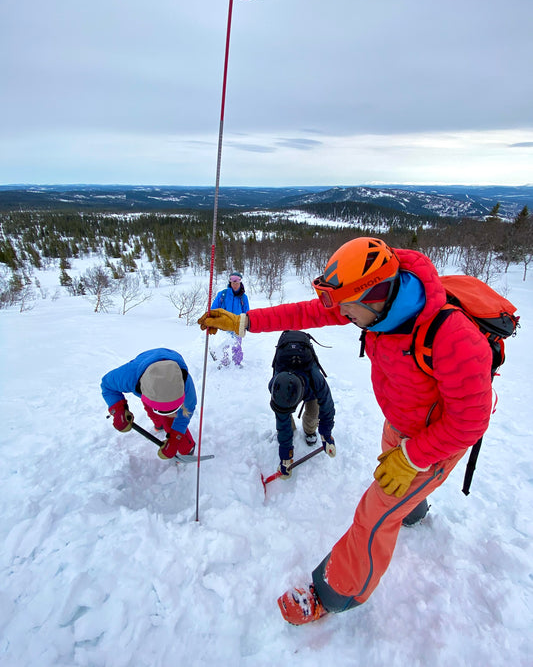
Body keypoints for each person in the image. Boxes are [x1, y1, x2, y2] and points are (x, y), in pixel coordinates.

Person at [198, 237, 493, 625]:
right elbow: (306, 314)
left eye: (346, 309)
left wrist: (412, 458)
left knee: (373, 517)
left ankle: (335, 593)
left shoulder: (453, 337)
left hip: (435, 441)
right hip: (401, 421)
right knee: (396, 490)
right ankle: (411, 508)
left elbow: (471, 420)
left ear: (376, 294)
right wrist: (246, 321)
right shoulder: (373, 307)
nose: (341, 315)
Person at [101, 348, 196, 459]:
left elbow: (187, 412)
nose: (166, 412)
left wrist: (176, 438)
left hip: (161, 383)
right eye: (160, 409)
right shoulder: (129, 377)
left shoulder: (185, 384)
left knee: (170, 420)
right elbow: (107, 385)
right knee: (154, 412)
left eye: (173, 408)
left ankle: (187, 449)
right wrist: (118, 410)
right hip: (146, 377)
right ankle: (158, 424)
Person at [269, 331, 336, 478]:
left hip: (309, 388)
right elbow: (282, 423)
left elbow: (328, 409)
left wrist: (326, 435)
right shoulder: (276, 386)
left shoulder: (316, 380)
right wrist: (285, 457)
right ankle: (292, 430)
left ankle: (310, 431)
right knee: (284, 417)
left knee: (313, 413)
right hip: (289, 384)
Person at [210, 272, 250, 367]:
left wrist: (247, 324)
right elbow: (214, 309)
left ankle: (237, 363)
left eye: (237, 282)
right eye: (233, 282)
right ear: (230, 282)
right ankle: (224, 362)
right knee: (224, 345)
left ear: (240, 282)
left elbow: (247, 312)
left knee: (237, 346)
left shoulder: (243, 297)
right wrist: (212, 320)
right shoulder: (222, 294)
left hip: (238, 325)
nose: (235, 285)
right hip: (224, 325)